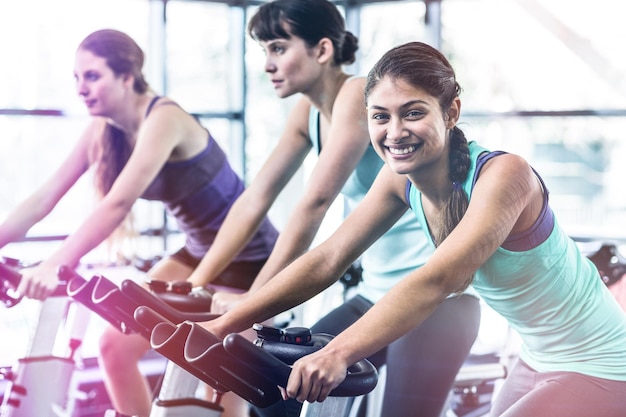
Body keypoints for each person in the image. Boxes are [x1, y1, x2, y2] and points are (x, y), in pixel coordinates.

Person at [203, 41, 626, 417]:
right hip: (536, 358)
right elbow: (328, 259)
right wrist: (225, 324)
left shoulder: (504, 175)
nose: (395, 132)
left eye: (413, 113)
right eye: (380, 117)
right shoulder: (398, 179)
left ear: (451, 112)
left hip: (601, 362)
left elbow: (438, 278)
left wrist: (338, 353)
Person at [187, 1, 480, 416]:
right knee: (277, 395)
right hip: (375, 295)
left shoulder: (358, 97)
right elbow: (256, 198)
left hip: (434, 302)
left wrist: (254, 301)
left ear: (322, 50)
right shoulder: (308, 111)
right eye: (264, 51)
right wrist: (198, 282)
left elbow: (315, 203)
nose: (268, 64)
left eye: (278, 48)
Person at [0, 29, 278, 417]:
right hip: (197, 253)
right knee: (114, 345)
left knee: (222, 387)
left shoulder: (165, 118)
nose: (81, 87)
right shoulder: (103, 129)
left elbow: (116, 205)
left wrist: (54, 264)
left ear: (127, 77)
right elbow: (45, 198)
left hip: (252, 261)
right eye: (76, 78)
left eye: (92, 76)